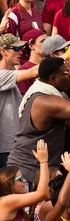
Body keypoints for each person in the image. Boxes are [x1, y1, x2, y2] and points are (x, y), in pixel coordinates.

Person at [8, 57, 70, 183]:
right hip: (27, 171)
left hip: (35, 169)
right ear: (53, 78)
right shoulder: (45, 101)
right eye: (66, 74)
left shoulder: (45, 93)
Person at [0, 139, 48, 221]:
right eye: (20, 179)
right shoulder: (6, 201)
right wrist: (43, 162)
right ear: (8, 183)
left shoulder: (12, 203)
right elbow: (43, 193)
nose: (24, 181)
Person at [0, 34, 38, 167]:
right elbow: (33, 72)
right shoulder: (1, 75)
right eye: (16, 48)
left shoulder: (8, 75)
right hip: (5, 150)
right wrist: (67, 55)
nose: (21, 51)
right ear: (3, 51)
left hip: (12, 147)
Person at [16, 29, 46, 95]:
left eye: (47, 41)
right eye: (42, 41)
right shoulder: (23, 70)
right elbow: (24, 100)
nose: (46, 44)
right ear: (31, 46)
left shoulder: (53, 63)